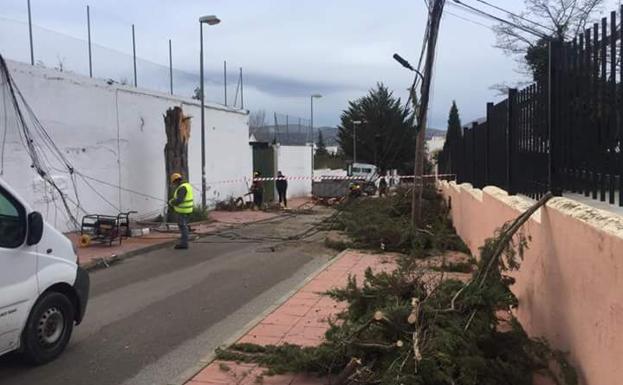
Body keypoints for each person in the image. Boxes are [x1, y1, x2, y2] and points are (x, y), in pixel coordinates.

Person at [168, 173, 193, 250]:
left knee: (183, 226)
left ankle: (184, 244)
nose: (174, 185)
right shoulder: (187, 185)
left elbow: (179, 200)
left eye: (174, 183)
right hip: (187, 210)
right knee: (184, 226)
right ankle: (184, 241)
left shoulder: (182, 188)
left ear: (176, 181)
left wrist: (171, 202)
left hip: (183, 210)